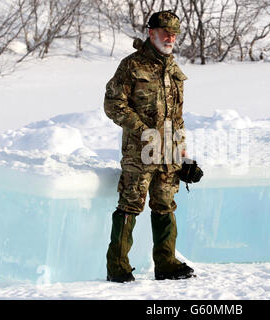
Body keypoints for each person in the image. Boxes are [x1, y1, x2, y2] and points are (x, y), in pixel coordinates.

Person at [103, 10, 195, 282]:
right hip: (139, 153)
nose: (170, 38)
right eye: (165, 32)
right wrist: (143, 131)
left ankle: (166, 264)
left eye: (174, 34)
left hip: (168, 153)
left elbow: (177, 116)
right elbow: (113, 105)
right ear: (151, 33)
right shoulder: (132, 66)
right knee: (130, 205)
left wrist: (183, 154)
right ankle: (118, 268)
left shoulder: (173, 68)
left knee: (165, 204)